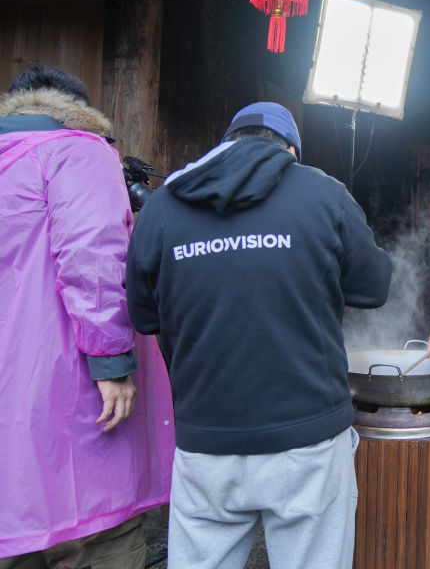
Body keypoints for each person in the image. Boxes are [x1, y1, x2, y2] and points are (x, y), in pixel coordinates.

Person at [125, 102, 392, 569]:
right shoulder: (324, 193)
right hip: (308, 441)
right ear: (290, 150)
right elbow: (373, 287)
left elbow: (143, 315)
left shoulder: (164, 205)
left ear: (229, 141)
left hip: (205, 444)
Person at [0, 66, 173, 568]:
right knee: (100, 532)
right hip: (62, 382)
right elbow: (95, 259)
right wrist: (112, 364)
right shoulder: (78, 151)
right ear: (76, 111)